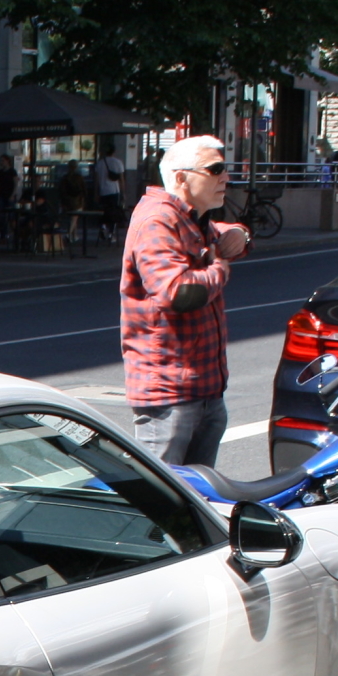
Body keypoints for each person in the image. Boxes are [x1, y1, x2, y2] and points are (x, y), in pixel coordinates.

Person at [119, 133, 247, 465]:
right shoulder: (158, 220)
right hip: (170, 397)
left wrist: (240, 234)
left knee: (198, 503)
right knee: (161, 504)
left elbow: (223, 236)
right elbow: (178, 292)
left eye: (225, 168)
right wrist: (220, 269)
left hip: (204, 390)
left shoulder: (191, 217)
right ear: (181, 177)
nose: (226, 177)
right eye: (215, 169)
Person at [94, 141, 125, 234]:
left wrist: (96, 193)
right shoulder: (118, 163)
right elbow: (121, 180)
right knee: (113, 212)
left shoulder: (100, 163)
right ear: (114, 151)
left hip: (103, 191)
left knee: (104, 210)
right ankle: (111, 233)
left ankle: (103, 226)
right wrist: (123, 193)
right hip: (115, 191)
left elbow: (96, 180)